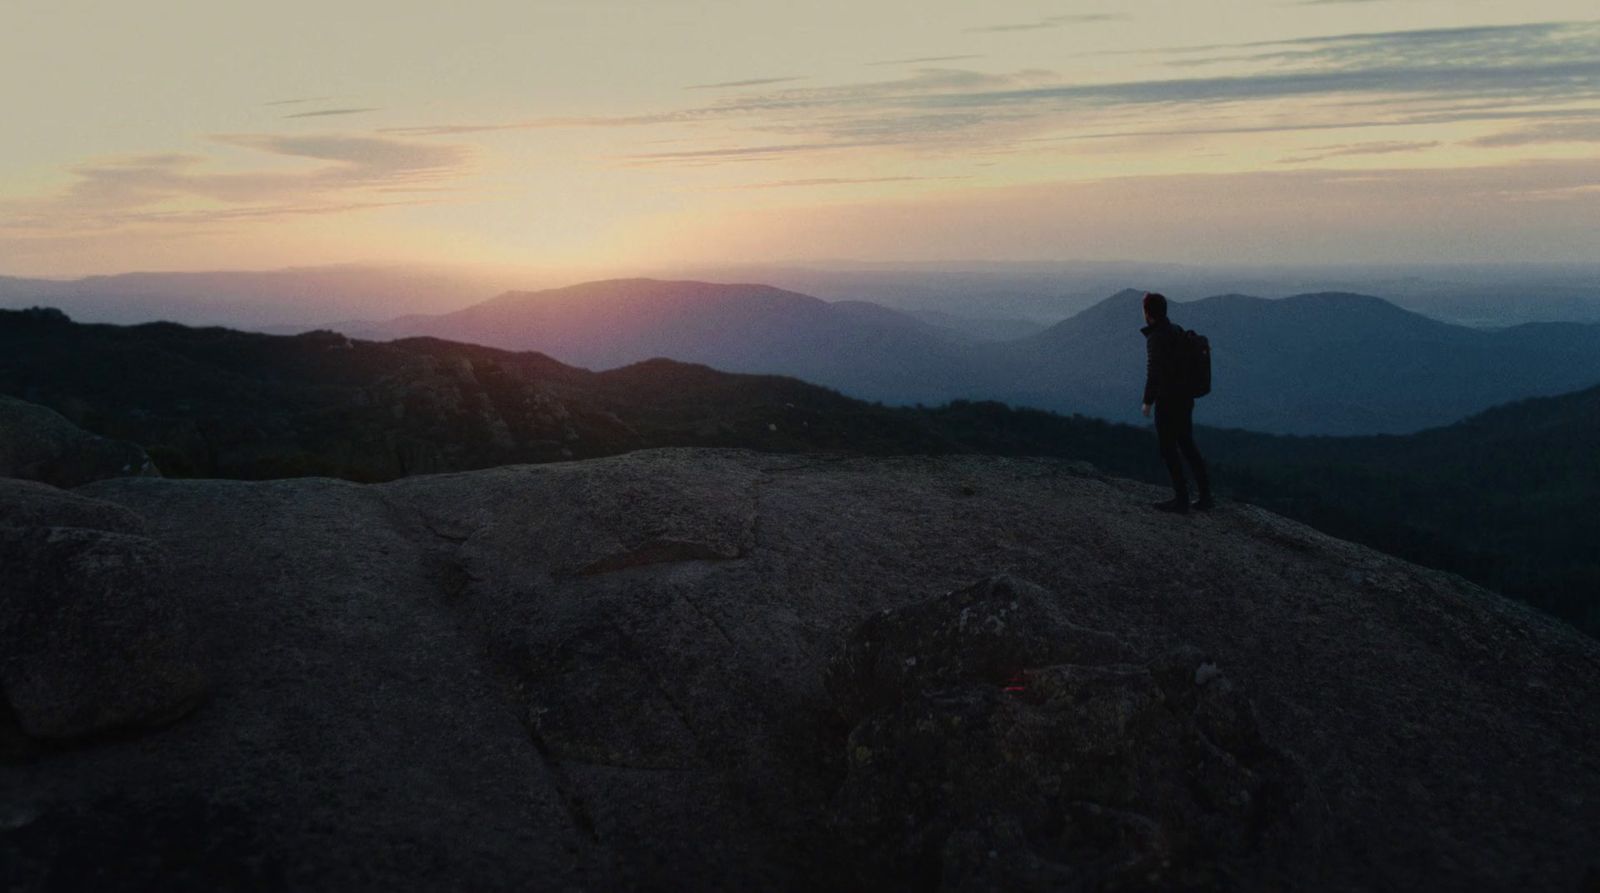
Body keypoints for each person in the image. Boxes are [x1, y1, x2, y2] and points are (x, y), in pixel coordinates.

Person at [1140, 292, 1212, 513]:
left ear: (1147, 314)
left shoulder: (1156, 337)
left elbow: (1154, 372)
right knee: (1188, 445)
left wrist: (1147, 402)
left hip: (1168, 400)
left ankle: (1181, 499)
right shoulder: (1177, 330)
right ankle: (1206, 497)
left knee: (1168, 449)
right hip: (1185, 398)